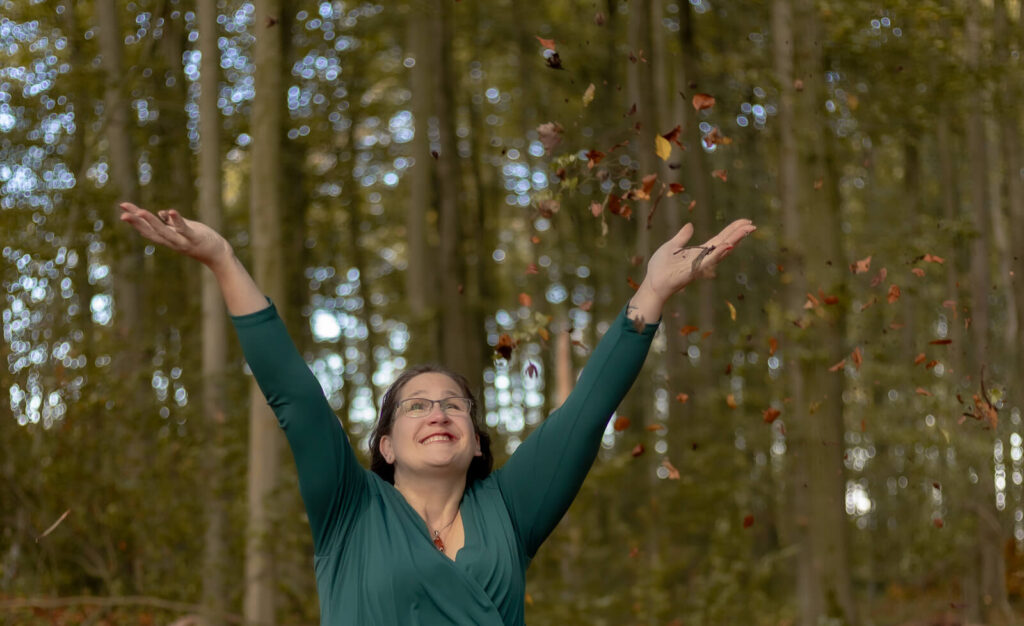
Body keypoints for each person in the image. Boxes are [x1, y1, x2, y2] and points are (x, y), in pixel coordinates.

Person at [119, 201, 755, 625]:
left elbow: (585, 414)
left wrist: (652, 293)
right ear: (387, 445)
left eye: (454, 404)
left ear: (477, 443)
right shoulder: (349, 510)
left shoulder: (508, 511)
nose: (438, 411)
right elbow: (295, 398)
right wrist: (222, 260)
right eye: (416, 405)